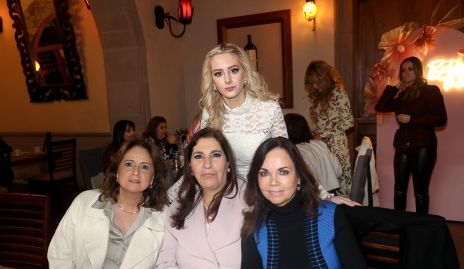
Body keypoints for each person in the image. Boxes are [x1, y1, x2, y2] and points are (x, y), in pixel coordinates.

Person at [241, 137, 366, 269]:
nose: (273, 182)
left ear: (299, 176)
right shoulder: (253, 228)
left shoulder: (331, 216)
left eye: (283, 172)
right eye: (264, 173)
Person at [48, 139, 168, 268]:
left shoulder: (164, 219)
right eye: (128, 164)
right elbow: (59, 255)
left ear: (152, 179)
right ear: (117, 172)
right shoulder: (83, 203)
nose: (135, 172)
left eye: (144, 167)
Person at [156, 128, 246, 268]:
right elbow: (165, 261)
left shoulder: (249, 200)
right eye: (198, 156)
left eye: (215, 155)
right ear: (190, 167)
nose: (207, 164)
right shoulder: (180, 205)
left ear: (228, 162)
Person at [199, 43, 287, 180]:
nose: (227, 80)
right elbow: (202, 161)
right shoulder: (209, 113)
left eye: (234, 70)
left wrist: (321, 193)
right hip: (225, 192)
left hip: (264, 190)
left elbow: (287, 158)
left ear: (245, 74)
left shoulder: (269, 109)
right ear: (213, 83)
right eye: (218, 73)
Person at [375, 56, 447, 213]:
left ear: (418, 71)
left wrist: (412, 119)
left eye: (410, 69)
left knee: (420, 192)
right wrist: (394, 87)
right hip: (403, 145)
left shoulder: (430, 90)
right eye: (403, 70)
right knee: (399, 190)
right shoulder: (401, 94)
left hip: (423, 146)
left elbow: (441, 119)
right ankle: (400, 226)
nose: (406, 73)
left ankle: (421, 228)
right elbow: (381, 106)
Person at [304, 60, 354, 197]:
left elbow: (349, 122)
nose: (314, 86)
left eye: (317, 82)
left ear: (324, 78)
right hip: (322, 147)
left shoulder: (338, 92)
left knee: (341, 189)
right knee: (325, 189)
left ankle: (345, 215)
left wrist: (323, 134)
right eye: (311, 83)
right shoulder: (318, 97)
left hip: (336, 148)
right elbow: (323, 123)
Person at [284, 113, 341, 192]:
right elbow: (338, 171)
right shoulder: (320, 144)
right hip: (332, 193)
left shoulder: (292, 151)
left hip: (312, 196)